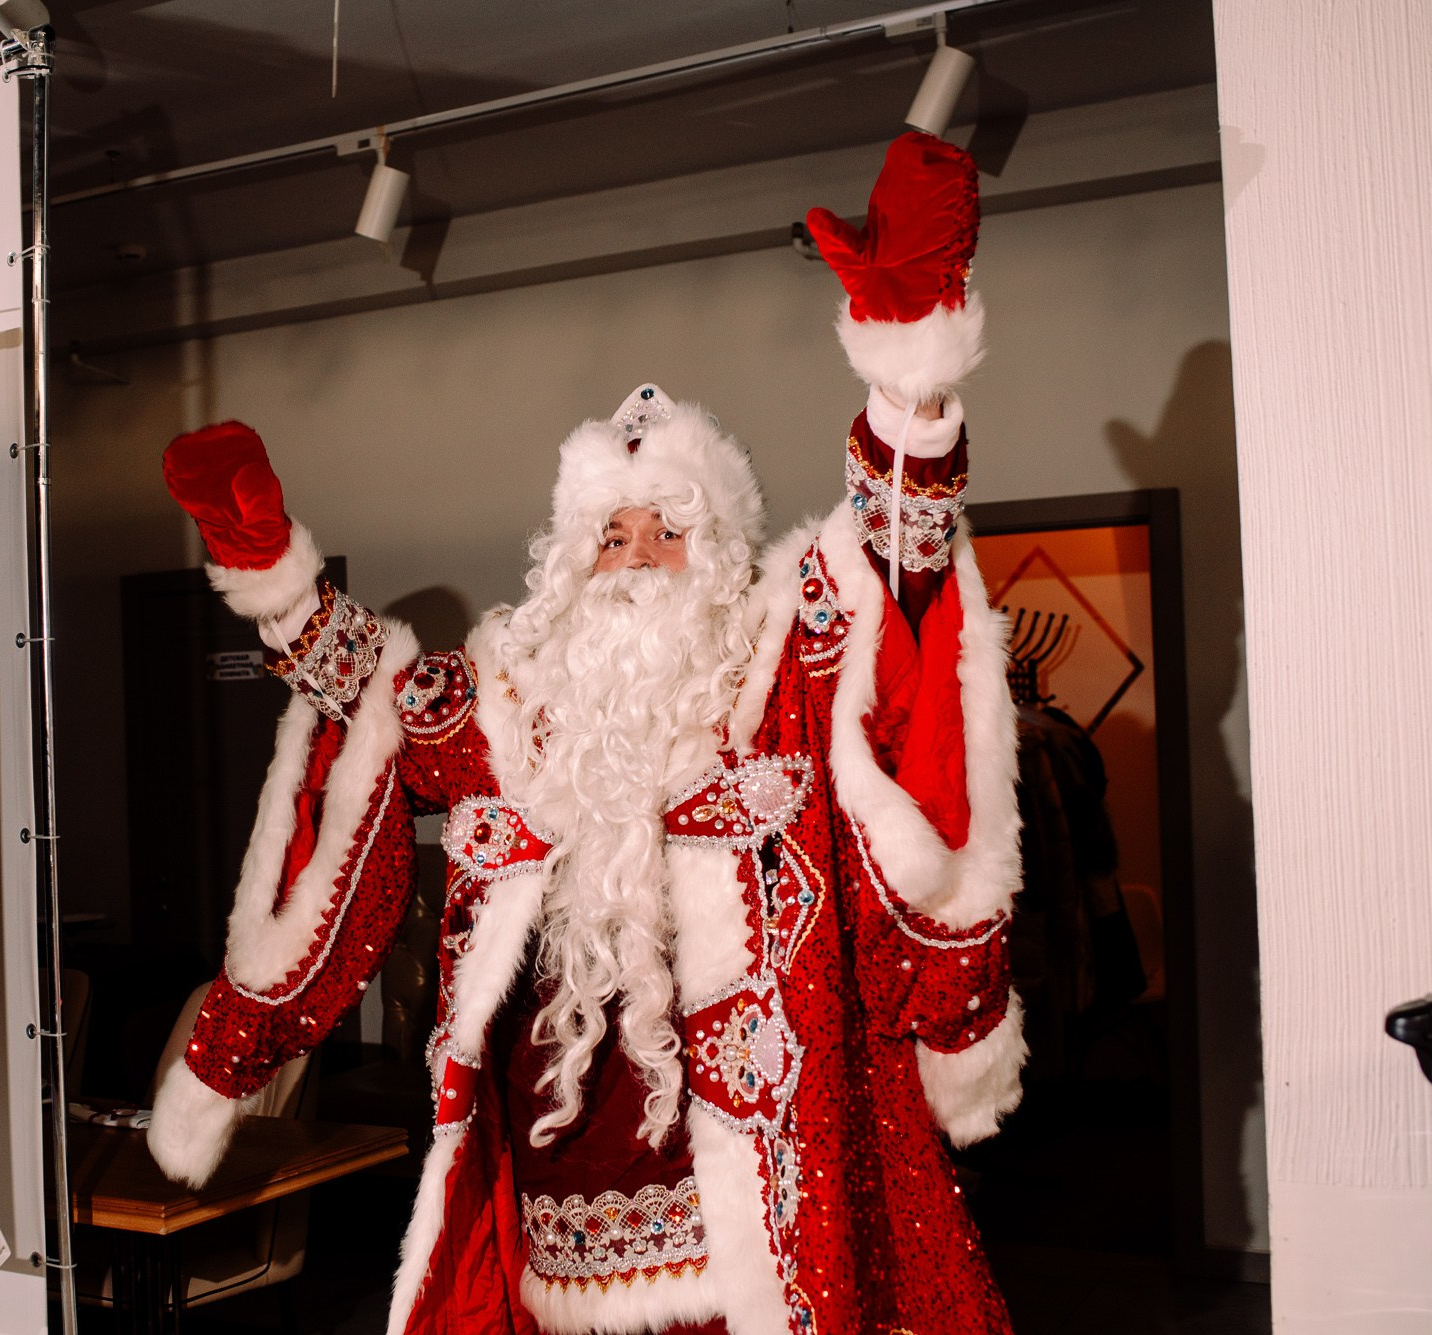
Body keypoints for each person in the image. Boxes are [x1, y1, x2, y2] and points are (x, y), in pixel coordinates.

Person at [148, 131, 1024, 1335]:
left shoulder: (776, 664)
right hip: (559, 1168)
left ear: (716, 553)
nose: (636, 556)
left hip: (768, 1176)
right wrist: (274, 584)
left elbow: (899, 560)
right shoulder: (514, 700)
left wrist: (907, 379)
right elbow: (377, 698)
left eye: (666, 529)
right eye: (611, 536)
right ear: (569, 562)